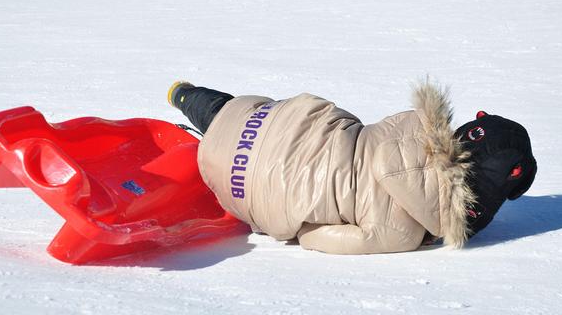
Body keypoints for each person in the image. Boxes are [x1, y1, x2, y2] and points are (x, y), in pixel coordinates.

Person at [167, 80, 537, 254]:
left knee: (289, 123)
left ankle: (187, 97)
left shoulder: (415, 122)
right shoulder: (401, 233)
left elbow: (373, 137)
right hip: (248, 186)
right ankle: (211, 150)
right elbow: (315, 237)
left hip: (267, 122)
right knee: (295, 188)